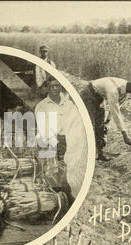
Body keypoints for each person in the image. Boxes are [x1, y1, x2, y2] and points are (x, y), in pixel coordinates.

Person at [35, 75, 88, 208]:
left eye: (57, 86)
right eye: (51, 86)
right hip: (51, 141)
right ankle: (55, 202)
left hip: (68, 140)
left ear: (60, 87)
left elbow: (75, 125)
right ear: (47, 87)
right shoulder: (41, 106)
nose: (54, 88)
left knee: (71, 172)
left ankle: (70, 199)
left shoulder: (69, 105)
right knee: (52, 174)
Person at [80, 77, 131, 161]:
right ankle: (82, 153)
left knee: (101, 126)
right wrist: (125, 135)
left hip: (100, 97)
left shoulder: (127, 92)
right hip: (89, 94)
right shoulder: (114, 90)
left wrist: (107, 121)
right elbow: (116, 112)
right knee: (89, 125)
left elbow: (117, 106)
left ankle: (99, 153)